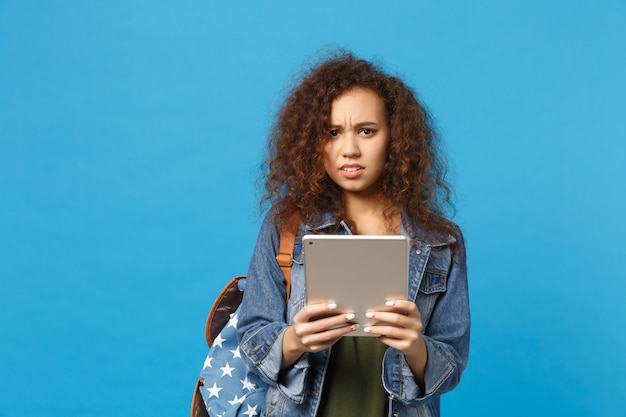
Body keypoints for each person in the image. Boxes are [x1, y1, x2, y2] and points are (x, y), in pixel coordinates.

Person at [236, 51, 470, 417]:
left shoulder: (440, 242)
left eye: (366, 130)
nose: (349, 149)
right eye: (332, 132)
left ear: (394, 137)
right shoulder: (286, 226)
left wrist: (416, 346)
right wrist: (295, 340)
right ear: (314, 142)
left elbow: (451, 366)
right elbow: (251, 341)